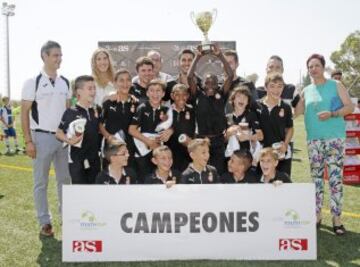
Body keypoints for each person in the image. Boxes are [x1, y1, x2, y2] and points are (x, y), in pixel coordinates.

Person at [295, 53, 354, 235]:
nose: (313, 69)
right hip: (314, 140)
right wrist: (297, 98)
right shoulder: (306, 90)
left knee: (335, 179)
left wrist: (333, 114)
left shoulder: (335, 85)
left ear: (323, 67)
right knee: (316, 180)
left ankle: (337, 220)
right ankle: (317, 215)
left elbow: (349, 107)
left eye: (316, 65)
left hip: (334, 139)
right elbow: (297, 113)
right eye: (310, 67)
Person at [21, 40, 71, 237]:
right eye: (55, 55)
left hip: (63, 140)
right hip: (40, 137)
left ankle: (67, 219)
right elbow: (24, 113)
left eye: (60, 55)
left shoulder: (65, 82)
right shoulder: (32, 82)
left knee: (64, 181)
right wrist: (28, 141)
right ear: (44, 56)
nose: (59, 59)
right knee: (40, 182)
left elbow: (68, 113)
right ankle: (45, 222)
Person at [187, 44, 233, 174]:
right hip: (201, 141)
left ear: (217, 84)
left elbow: (230, 75)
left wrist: (220, 56)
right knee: (202, 171)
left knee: (217, 173)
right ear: (202, 84)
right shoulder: (198, 94)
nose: (210, 85)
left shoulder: (222, 94)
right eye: (207, 82)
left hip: (218, 141)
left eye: (213, 82)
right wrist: (197, 56)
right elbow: (190, 77)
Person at [56, 75, 101, 184]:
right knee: (80, 195)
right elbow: (58, 133)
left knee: (95, 193)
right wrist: (69, 140)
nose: (93, 91)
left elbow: (100, 129)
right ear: (79, 92)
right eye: (90, 88)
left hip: (95, 160)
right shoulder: (70, 112)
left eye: (94, 88)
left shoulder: (97, 109)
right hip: (77, 161)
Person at [129, 79, 173, 183]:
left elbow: (173, 126)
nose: (155, 94)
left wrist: (171, 130)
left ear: (163, 94)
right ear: (147, 93)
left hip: (159, 152)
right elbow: (132, 130)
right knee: (145, 179)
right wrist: (148, 142)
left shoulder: (167, 110)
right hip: (143, 151)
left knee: (158, 178)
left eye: (158, 91)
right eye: (152, 90)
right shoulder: (142, 108)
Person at [99, 69, 138, 170]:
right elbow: (99, 124)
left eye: (128, 80)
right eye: (121, 80)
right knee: (110, 179)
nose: (125, 83)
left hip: (129, 149)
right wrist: (108, 137)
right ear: (115, 83)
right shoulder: (108, 102)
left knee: (128, 178)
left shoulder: (136, 103)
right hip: (112, 148)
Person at [257, 72, 294, 177]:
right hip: (262, 154)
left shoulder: (286, 107)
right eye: (272, 86)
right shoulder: (257, 105)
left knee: (282, 185)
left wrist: (285, 145)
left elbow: (290, 128)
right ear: (265, 87)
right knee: (263, 186)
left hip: (280, 154)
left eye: (280, 86)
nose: (276, 90)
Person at [225, 86, 263, 158]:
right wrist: (229, 133)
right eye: (239, 96)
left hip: (246, 156)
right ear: (233, 100)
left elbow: (261, 136)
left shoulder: (251, 115)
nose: (242, 99)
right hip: (231, 157)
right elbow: (224, 139)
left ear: (248, 102)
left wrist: (246, 137)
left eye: (245, 97)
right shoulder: (228, 117)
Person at [167, 84, 196, 172]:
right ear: (172, 96)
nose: (181, 97)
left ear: (187, 96)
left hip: (189, 153)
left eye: (184, 94)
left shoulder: (192, 111)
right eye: (177, 94)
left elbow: (197, 130)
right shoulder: (165, 111)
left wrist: (192, 142)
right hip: (172, 153)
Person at [223, 49, 258, 113]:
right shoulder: (217, 86)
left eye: (230, 63)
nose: (226, 66)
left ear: (237, 65)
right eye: (224, 63)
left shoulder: (247, 84)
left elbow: (256, 108)